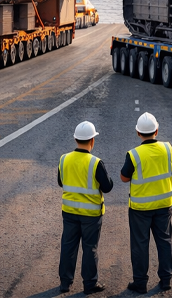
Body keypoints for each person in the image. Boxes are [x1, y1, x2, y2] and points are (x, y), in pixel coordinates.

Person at [120, 112, 172, 294]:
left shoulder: (134, 154)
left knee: (140, 245)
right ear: (157, 130)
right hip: (164, 205)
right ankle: (166, 279)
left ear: (138, 133)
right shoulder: (168, 148)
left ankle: (140, 283)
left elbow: (123, 177)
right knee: (164, 241)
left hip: (141, 209)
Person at [58, 121, 113, 295]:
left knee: (68, 246)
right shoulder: (95, 163)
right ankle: (89, 284)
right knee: (90, 248)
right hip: (91, 214)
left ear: (75, 139)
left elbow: (61, 182)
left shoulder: (64, 158)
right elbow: (107, 187)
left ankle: (65, 283)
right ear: (92, 141)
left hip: (69, 212)